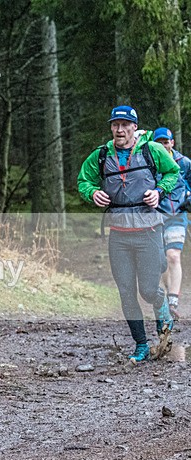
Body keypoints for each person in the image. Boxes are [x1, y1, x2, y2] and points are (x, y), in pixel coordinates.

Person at [78, 106, 180, 362]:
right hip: (119, 235)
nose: (120, 130)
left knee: (147, 290)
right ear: (111, 127)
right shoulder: (101, 155)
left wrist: (159, 191)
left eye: (125, 125)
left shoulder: (152, 150)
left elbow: (172, 172)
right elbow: (83, 181)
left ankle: (163, 309)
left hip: (148, 231)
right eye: (115, 125)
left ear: (135, 127)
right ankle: (141, 345)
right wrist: (92, 193)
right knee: (125, 291)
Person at [152, 127, 191, 318]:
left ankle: (173, 301)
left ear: (172, 143)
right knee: (161, 262)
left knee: (173, 256)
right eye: (159, 143)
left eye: (166, 142)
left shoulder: (184, 163)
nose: (163, 146)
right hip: (155, 216)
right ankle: (167, 297)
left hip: (177, 215)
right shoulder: (149, 163)